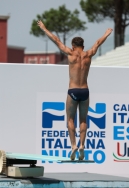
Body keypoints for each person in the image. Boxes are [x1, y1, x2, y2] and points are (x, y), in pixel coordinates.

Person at [37, 20, 113, 160]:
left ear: (73, 46)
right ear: (82, 46)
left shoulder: (70, 54)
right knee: (83, 120)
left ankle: (73, 146)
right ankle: (82, 145)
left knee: (70, 119)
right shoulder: (88, 54)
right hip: (85, 91)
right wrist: (106, 34)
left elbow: (56, 39)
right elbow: (97, 43)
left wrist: (44, 28)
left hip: (72, 91)